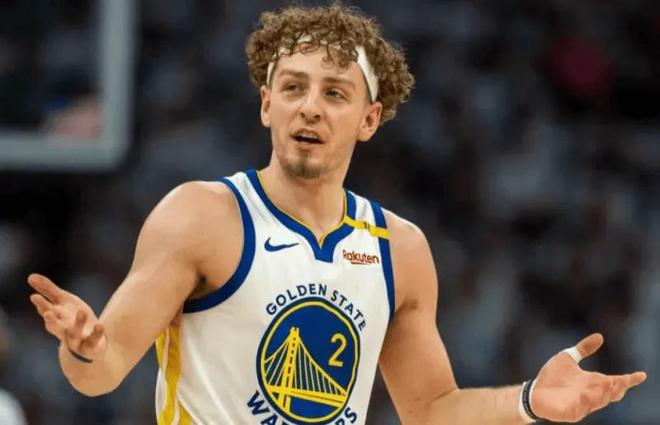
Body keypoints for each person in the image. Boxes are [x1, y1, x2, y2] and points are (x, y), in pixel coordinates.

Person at [27, 3, 646, 424]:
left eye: (335, 93)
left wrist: (528, 401)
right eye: (293, 87)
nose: (310, 108)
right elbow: (101, 372)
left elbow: (431, 410)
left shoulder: (399, 247)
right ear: (266, 105)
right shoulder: (202, 215)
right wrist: (84, 347)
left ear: (369, 119)